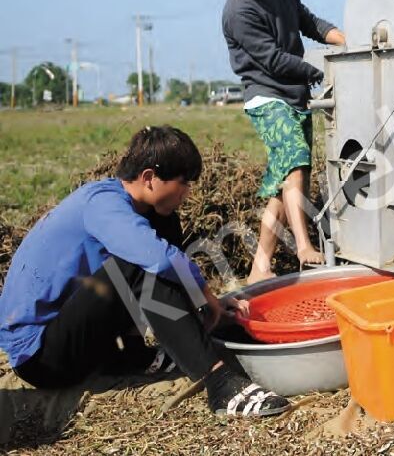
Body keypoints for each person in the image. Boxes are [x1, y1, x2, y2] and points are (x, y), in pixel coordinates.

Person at [0, 126, 290, 417]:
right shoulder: (102, 204)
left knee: (162, 229)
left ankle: (134, 355)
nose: (188, 193)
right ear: (150, 178)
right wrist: (204, 295)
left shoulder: (129, 204)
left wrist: (201, 298)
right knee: (142, 262)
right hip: (42, 357)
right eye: (184, 183)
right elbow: (159, 260)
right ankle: (219, 383)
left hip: (80, 338)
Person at [218, 0, 346, 282]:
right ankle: (304, 247)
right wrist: (321, 72)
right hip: (266, 94)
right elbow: (272, 60)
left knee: (283, 182)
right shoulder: (239, 11)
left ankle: (260, 266)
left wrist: (348, 43)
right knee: (295, 160)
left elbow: (309, 22)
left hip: (296, 93)